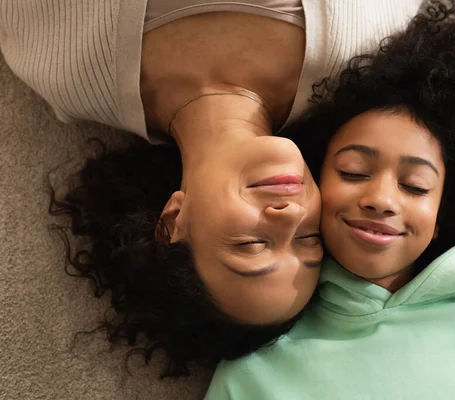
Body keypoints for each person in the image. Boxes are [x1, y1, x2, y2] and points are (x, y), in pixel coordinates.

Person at [0, 0, 423, 376]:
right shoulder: (364, 44)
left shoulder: (65, 69)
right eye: (308, 238)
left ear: (172, 223)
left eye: (252, 245)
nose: (291, 214)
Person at [204, 2, 455, 399]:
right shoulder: (253, 364)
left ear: (443, 215)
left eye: (416, 186)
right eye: (353, 172)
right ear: (313, 185)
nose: (381, 199)